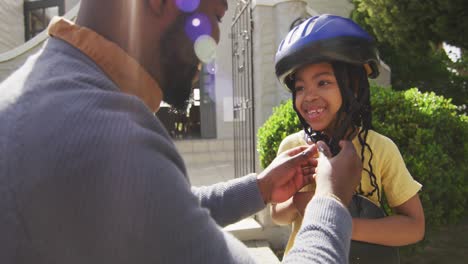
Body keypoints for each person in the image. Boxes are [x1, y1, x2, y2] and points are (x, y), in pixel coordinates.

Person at [0, 1, 359, 263]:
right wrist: (331, 200)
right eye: (215, 15)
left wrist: (260, 188)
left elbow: (159, 211)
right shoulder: (102, 138)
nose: (214, 38)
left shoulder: (51, 95)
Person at [271, 14, 425, 257]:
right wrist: (295, 203)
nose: (308, 96)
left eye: (323, 82)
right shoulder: (293, 146)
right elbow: (277, 215)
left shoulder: (381, 149)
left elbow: (414, 227)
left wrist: (336, 222)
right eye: (300, 87)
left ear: (353, 86)